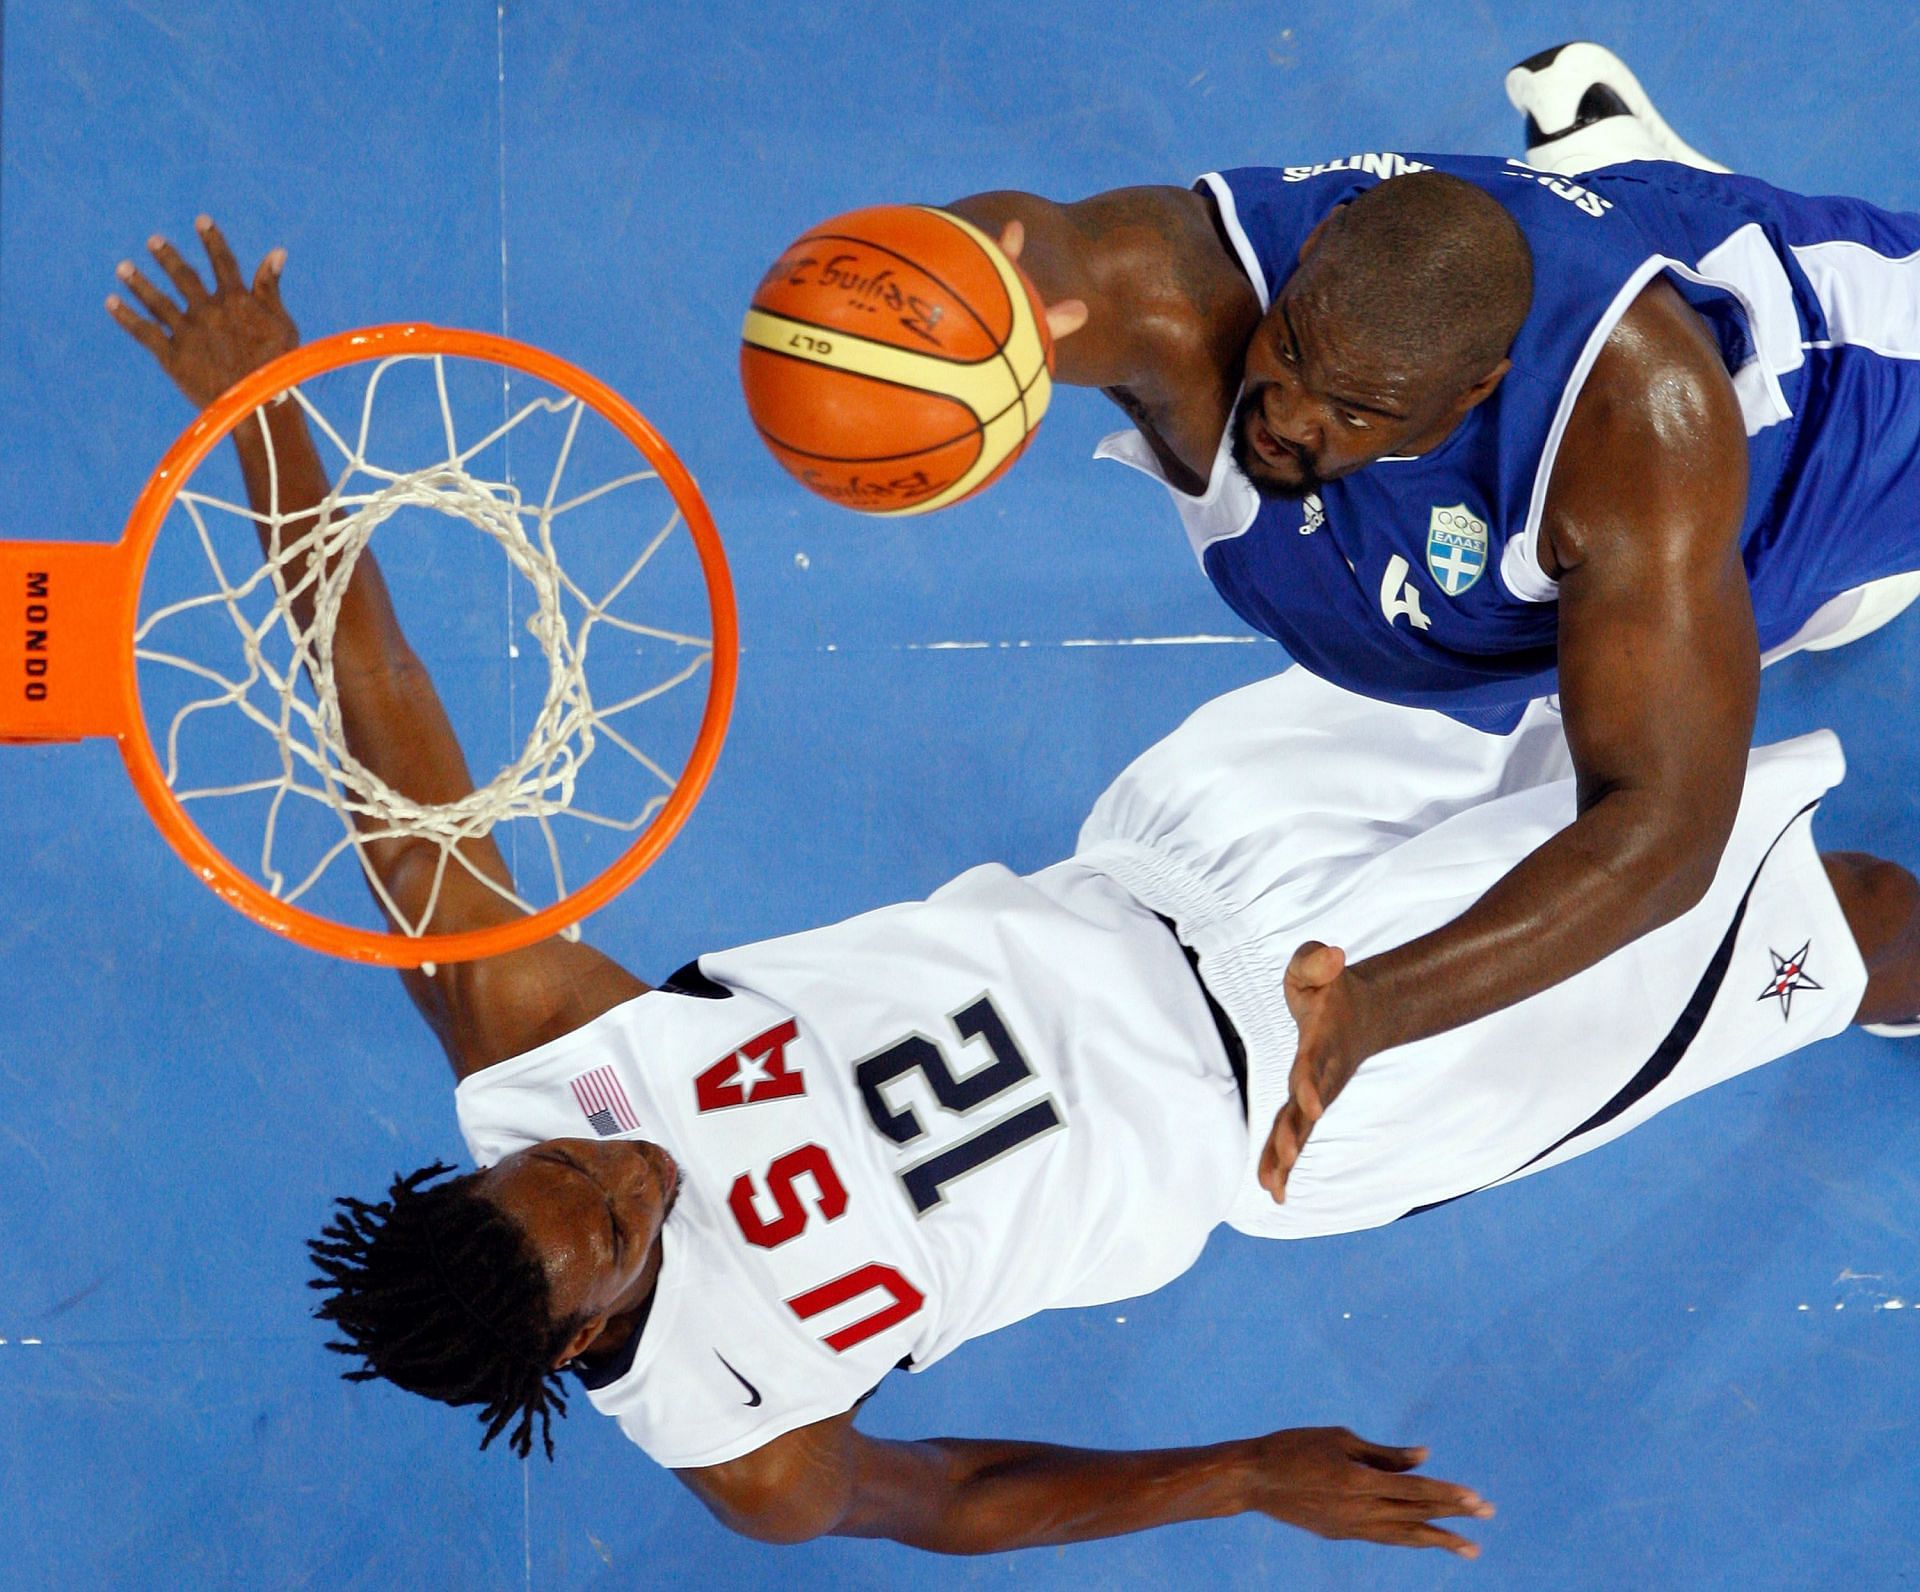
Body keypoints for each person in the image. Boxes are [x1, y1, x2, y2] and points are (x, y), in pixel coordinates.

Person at [108, 219, 1920, 1561]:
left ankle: (1802, 519)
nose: (623, 1162)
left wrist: (270, 422)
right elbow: (945, 1494)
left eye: (567, 1164)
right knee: (1841, 925)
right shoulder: (744, 1431)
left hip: (1187, 848)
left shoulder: (528, 1054)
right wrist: (1235, 1474)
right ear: (588, 1326)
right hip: (1310, 1100)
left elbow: (387, 730)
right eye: (610, 1219)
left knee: (1595, 622)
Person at [944, 41, 1920, 1200]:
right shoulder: (1198, 282)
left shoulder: (1636, 435)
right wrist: (930, 304)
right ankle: (1633, 223)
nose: (1285, 418)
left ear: (1476, 394)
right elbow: (1020, 256)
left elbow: (1662, 833)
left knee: (1696, 617)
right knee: (1663, 608)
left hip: (1839, 414)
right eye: (1294, 352)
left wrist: (1379, 1002)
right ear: (1312, 258)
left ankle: (1798, 550)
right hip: (1626, 507)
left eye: (1353, 409)